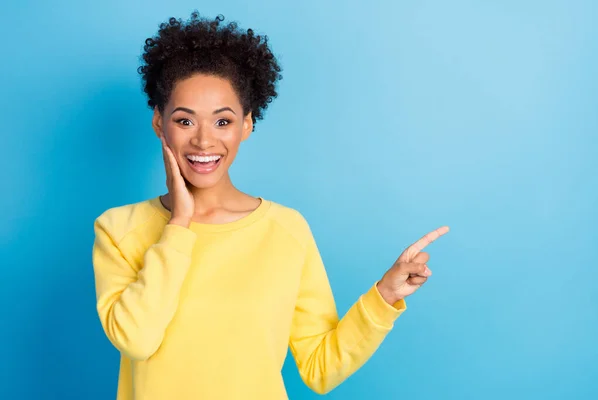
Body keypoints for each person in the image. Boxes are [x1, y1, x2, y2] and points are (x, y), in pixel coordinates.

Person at [91, 11, 449, 400]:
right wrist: (179, 225)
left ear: (247, 124)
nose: (204, 142)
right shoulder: (118, 229)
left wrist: (385, 296)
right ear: (159, 123)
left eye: (223, 122)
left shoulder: (285, 230)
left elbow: (320, 368)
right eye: (185, 121)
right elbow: (137, 340)